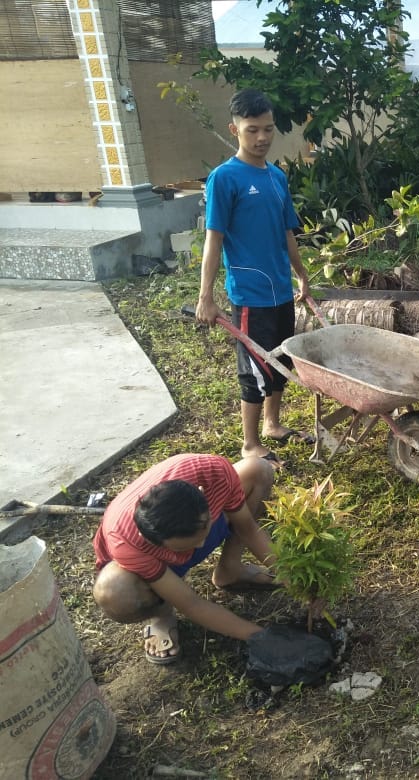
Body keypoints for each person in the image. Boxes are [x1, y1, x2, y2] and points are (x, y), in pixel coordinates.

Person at [196, 88, 312, 466]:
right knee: (255, 369)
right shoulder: (224, 178)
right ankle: (250, 445)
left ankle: (272, 425)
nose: (262, 138)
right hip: (250, 294)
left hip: (280, 290)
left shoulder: (277, 177)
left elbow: (287, 232)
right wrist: (206, 297)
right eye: (252, 130)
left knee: (280, 362)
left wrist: (302, 276)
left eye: (268, 129)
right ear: (235, 130)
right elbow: (213, 241)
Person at [92, 453, 279, 664]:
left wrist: (295, 579)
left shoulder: (214, 474)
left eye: (203, 534)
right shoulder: (128, 543)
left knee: (258, 470)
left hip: (188, 528)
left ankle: (231, 569)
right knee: (117, 593)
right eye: (186, 546)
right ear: (151, 540)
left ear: (201, 496)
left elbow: (249, 530)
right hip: (151, 564)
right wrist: (258, 636)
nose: (201, 547)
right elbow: (191, 604)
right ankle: (161, 615)